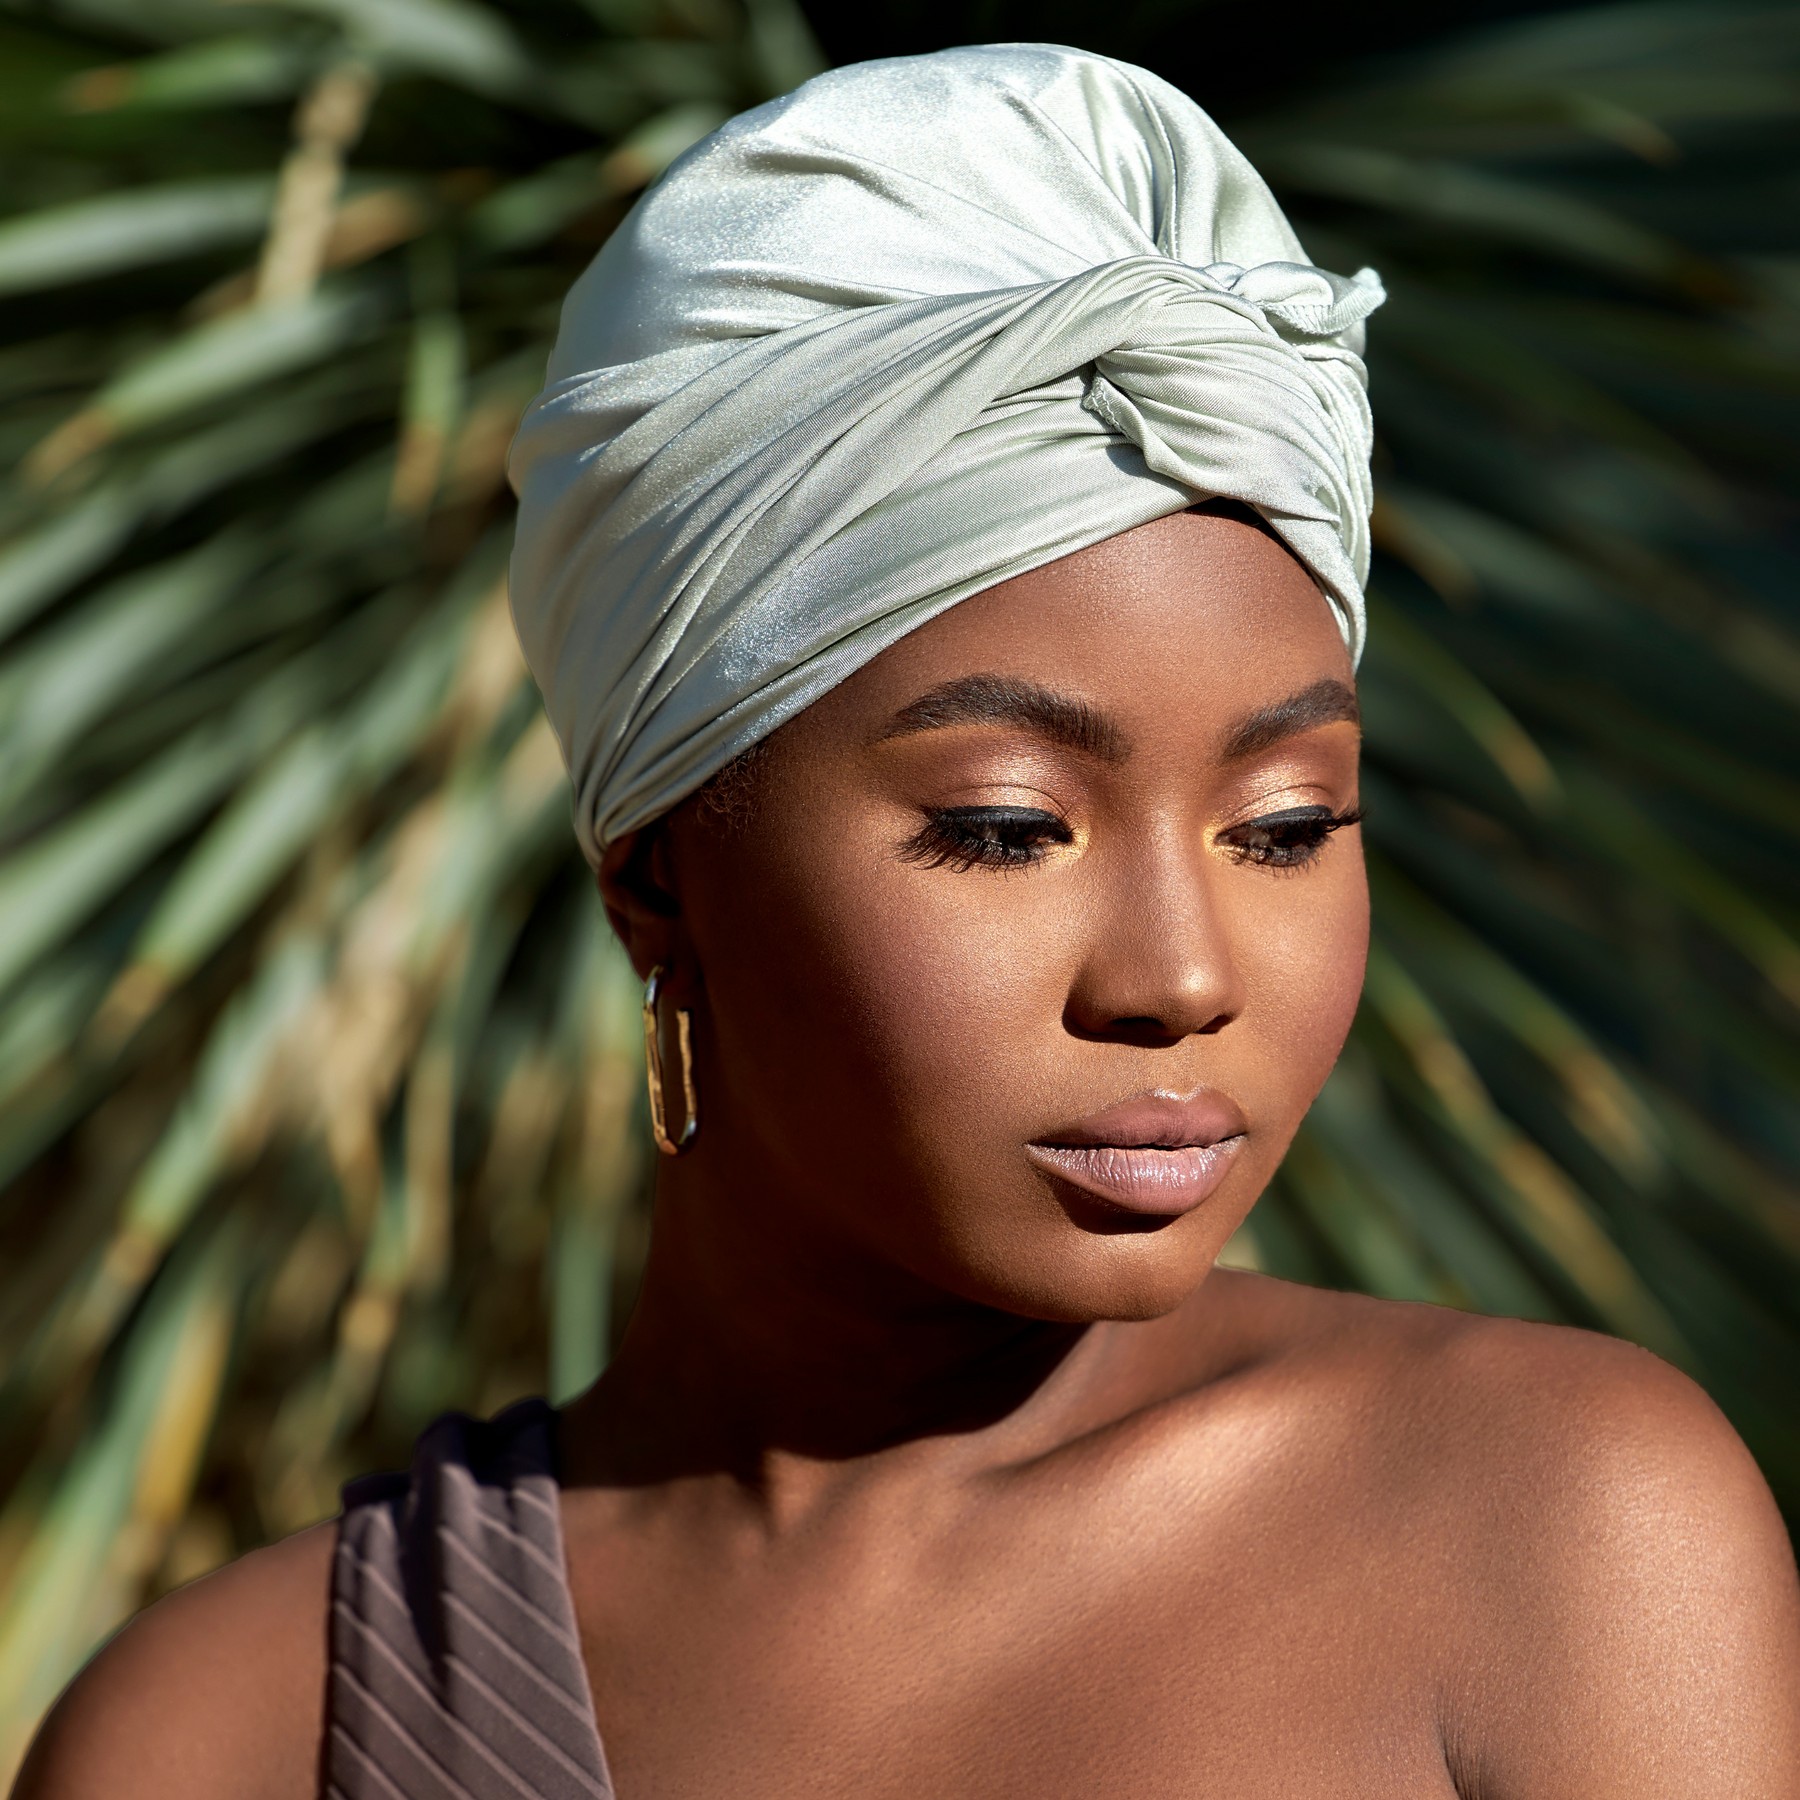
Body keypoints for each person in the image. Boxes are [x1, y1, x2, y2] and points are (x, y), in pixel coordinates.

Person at [15, 44, 1798, 1800]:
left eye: (1285, 828)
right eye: (1008, 830)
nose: (1182, 977)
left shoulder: (1552, 1531)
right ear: (657, 877)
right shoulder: (231, 1737)